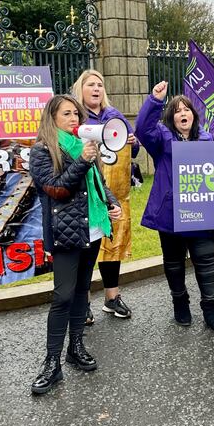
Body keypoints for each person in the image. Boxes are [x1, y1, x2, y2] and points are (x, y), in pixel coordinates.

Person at [29, 95, 122, 395]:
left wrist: (112, 202)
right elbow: (57, 189)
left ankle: (76, 347)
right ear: (52, 117)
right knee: (62, 295)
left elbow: (98, 183)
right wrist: (82, 160)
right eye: (67, 114)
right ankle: (51, 362)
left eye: (77, 114)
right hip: (66, 232)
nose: (74, 118)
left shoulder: (84, 147)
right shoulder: (42, 150)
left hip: (92, 229)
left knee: (83, 290)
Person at [135, 81, 214, 332]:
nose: (183, 113)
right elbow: (143, 128)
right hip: (170, 214)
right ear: (171, 116)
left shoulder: (207, 138)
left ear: (193, 114)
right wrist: (156, 100)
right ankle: (180, 302)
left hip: (201, 213)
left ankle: (210, 306)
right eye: (177, 110)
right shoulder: (161, 137)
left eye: (187, 109)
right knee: (174, 262)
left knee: (205, 260)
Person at [72, 69, 140, 322]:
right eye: (91, 84)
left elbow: (132, 151)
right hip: (86, 194)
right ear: (81, 89)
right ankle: (84, 302)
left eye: (100, 84)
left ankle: (112, 298)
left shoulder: (115, 116)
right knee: (87, 248)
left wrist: (133, 140)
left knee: (112, 246)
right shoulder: (75, 117)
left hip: (115, 193)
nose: (96, 89)